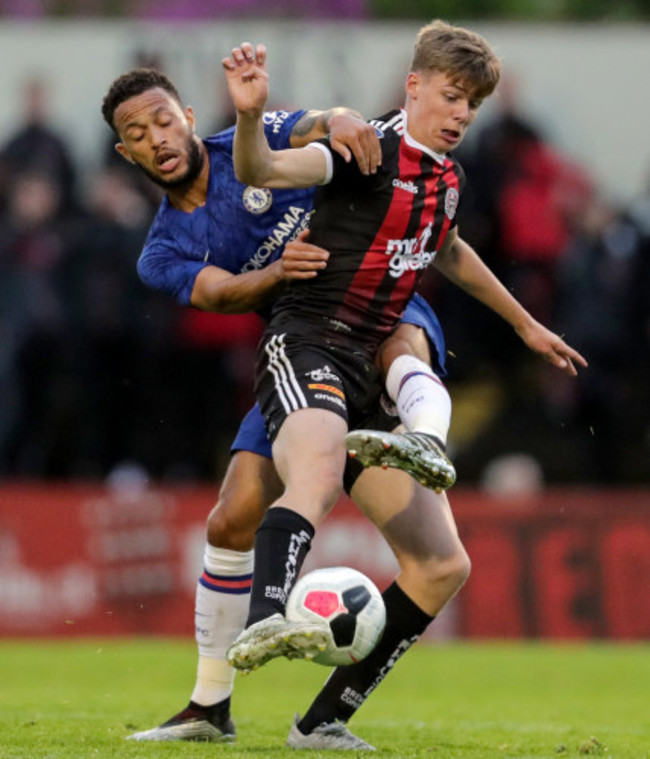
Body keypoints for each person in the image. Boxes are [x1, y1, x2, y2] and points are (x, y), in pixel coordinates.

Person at [222, 22, 587, 749]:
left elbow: (447, 248)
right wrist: (248, 114)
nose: (460, 114)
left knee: (442, 564)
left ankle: (322, 720)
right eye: (451, 96)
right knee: (319, 467)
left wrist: (524, 325)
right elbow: (262, 170)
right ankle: (267, 613)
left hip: (368, 374)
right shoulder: (365, 150)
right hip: (308, 342)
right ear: (413, 85)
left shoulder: (448, 177)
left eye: (472, 105)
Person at [101, 65, 456, 749]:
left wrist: (345, 115)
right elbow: (220, 295)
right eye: (137, 135)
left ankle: (323, 715)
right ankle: (209, 708)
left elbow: (319, 127)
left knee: (440, 562)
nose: (157, 139)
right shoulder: (161, 249)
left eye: (163, 120)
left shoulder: (250, 138)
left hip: (371, 322)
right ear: (127, 153)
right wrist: (277, 271)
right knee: (232, 516)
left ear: (185, 113)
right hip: (298, 357)